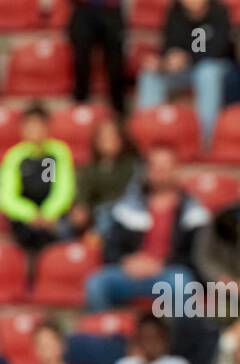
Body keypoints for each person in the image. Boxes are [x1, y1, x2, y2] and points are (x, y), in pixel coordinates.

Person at [86, 146, 210, 312]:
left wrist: (160, 264)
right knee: (96, 284)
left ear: (176, 170)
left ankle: (181, 336)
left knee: (182, 284)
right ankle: (104, 333)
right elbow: (111, 249)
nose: (160, 172)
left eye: (165, 167)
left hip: (169, 274)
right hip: (131, 273)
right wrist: (128, 261)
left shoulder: (193, 212)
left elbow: (198, 257)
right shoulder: (127, 208)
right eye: (155, 167)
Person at [136, 0, 235, 148]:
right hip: (182, 70)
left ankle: (205, 138)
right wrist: (164, 62)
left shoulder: (219, 12)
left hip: (214, 67)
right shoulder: (174, 12)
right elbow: (170, 45)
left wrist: (187, 58)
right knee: (150, 75)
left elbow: (219, 49)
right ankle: (145, 134)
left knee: (207, 73)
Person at [0, 105, 76, 260]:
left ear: (47, 127)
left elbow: (64, 189)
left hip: (53, 217)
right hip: (24, 219)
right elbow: (7, 196)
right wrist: (31, 215)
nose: (35, 130)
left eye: (39, 125)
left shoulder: (58, 153)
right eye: (30, 125)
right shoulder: (15, 156)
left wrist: (48, 213)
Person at [67, 117, 136, 237]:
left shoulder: (133, 166)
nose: (108, 141)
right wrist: (80, 209)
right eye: (103, 137)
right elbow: (82, 196)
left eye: (112, 136)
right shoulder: (88, 169)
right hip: (96, 216)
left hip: (125, 217)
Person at [68, 0, 127, 113]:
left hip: (111, 8)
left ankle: (118, 111)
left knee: (116, 66)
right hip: (83, 8)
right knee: (81, 60)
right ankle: (80, 108)